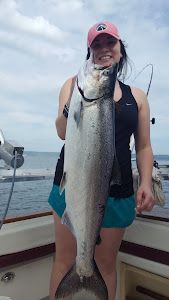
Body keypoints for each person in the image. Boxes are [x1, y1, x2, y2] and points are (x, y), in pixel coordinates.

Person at [48, 21, 155, 300]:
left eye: (111, 43)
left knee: (106, 265)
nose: (104, 49)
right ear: (89, 51)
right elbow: (61, 131)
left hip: (118, 192)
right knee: (64, 261)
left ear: (121, 49)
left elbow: (143, 146)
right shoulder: (72, 85)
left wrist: (145, 181)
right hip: (71, 186)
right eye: (97, 44)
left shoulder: (138, 97)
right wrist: (73, 101)